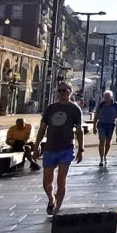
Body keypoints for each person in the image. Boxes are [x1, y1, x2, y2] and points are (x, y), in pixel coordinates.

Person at [32, 82, 82, 216]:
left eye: (64, 91)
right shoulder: (50, 109)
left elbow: (79, 130)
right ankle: (51, 198)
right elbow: (42, 129)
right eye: (59, 91)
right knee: (47, 182)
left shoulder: (75, 109)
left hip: (66, 148)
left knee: (61, 179)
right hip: (50, 148)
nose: (62, 93)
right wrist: (36, 147)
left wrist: (80, 148)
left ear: (70, 92)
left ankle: (57, 209)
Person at [93, 90, 117, 167]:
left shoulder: (115, 105)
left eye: (108, 97)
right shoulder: (101, 105)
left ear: (111, 97)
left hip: (111, 125)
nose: (106, 98)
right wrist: (94, 126)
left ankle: (105, 155)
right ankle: (101, 158)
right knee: (102, 141)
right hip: (101, 124)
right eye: (105, 97)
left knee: (108, 142)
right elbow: (96, 115)